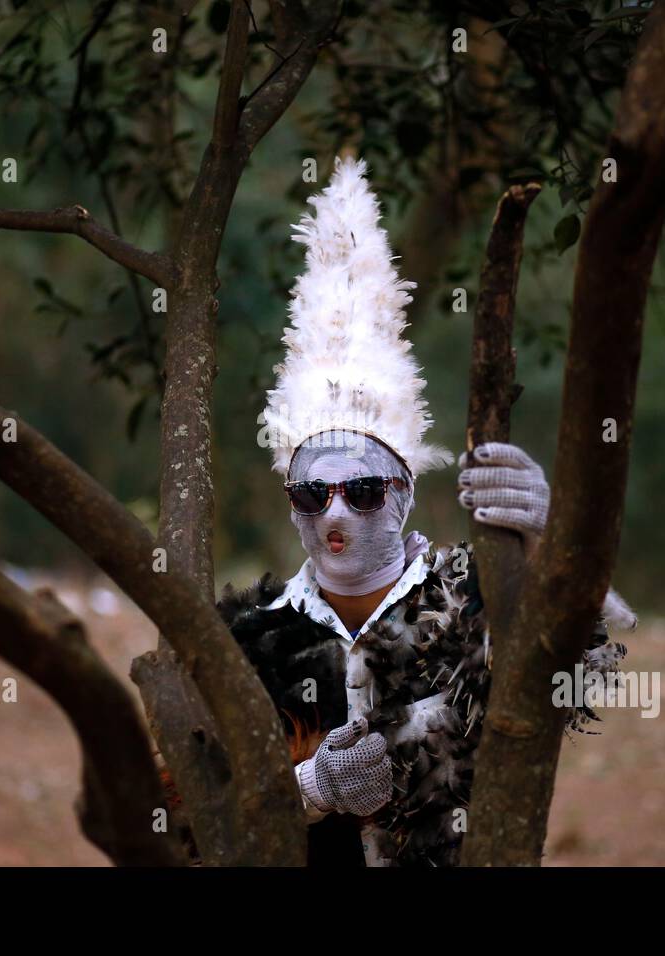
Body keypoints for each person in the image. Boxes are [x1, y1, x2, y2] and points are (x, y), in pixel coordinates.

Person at [218, 157, 635, 866]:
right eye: (313, 494)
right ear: (292, 506)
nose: (336, 511)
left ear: (405, 491)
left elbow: (588, 664)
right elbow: (199, 823)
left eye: (365, 489)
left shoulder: (477, 594)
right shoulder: (248, 637)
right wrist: (311, 789)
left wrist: (548, 539)